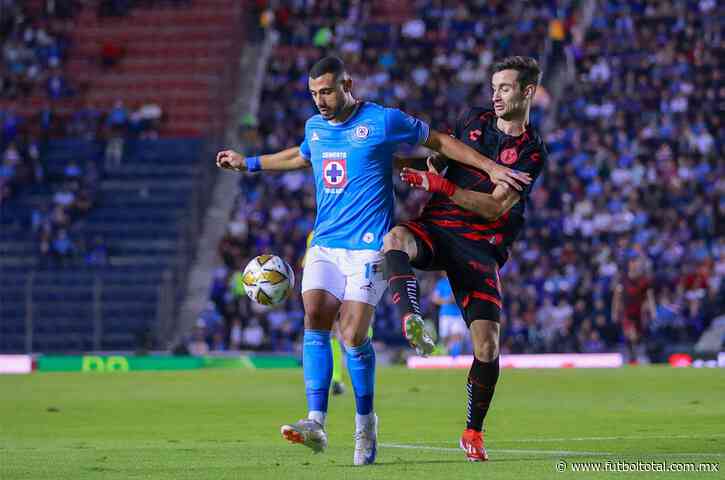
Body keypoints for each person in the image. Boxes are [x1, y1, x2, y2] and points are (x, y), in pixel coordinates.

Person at [216, 56, 529, 465]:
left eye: (327, 91)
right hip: (326, 242)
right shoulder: (316, 128)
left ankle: (366, 424)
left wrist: (489, 166)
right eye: (314, 94)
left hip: (368, 245)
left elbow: (438, 142)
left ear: (348, 85)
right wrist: (249, 163)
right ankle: (316, 421)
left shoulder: (382, 121)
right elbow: (300, 154)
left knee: (352, 334)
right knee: (314, 314)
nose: (320, 102)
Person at [382, 56, 547, 462]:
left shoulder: (531, 152)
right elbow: (440, 160)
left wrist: (438, 183)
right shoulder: (473, 121)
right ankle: (411, 317)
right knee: (397, 238)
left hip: (479, 244)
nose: (495, 94)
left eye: (505, 87)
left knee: (487, 346)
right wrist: (401, 164)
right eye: (494, 86)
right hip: (438, 227)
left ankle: (473, 431)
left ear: (527, 92)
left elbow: (494, 208)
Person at [432, 272, 469, 355]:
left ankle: (455, 355)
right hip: (445, 315)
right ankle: (447, 354)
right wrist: (448, 300)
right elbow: (434, 298)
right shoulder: (441, 283)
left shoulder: (459, 283)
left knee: (457, 336)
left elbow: (461, 297)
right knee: (444, 337)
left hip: (457, 315)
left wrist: (455, 299)